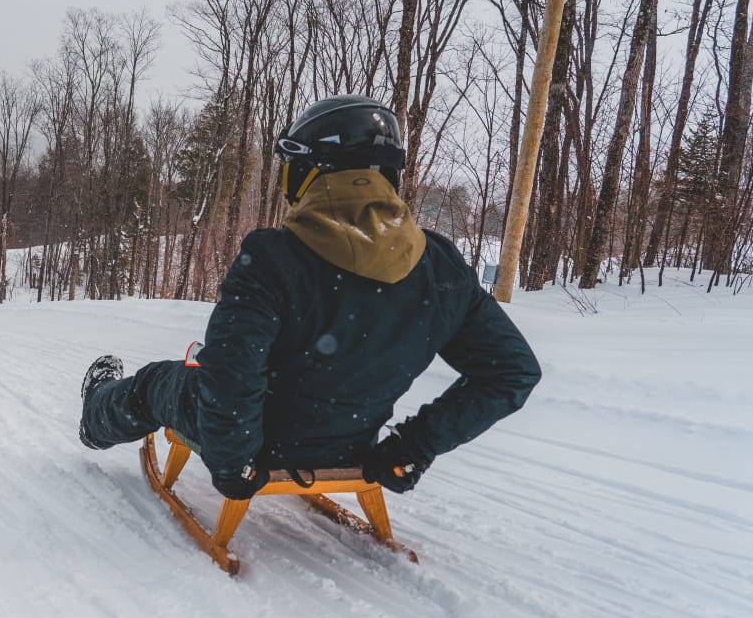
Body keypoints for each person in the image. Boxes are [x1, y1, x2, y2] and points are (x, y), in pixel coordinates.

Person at [79, 95, 540, 499]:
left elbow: (233, 373)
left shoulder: (273, 256)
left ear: (304, 173)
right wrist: (412, 447)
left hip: (260, 445)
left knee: (155, 383)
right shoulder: (440, 265)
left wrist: (233, 461)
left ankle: (95, 415)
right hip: (353, 445)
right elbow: (511, 372)